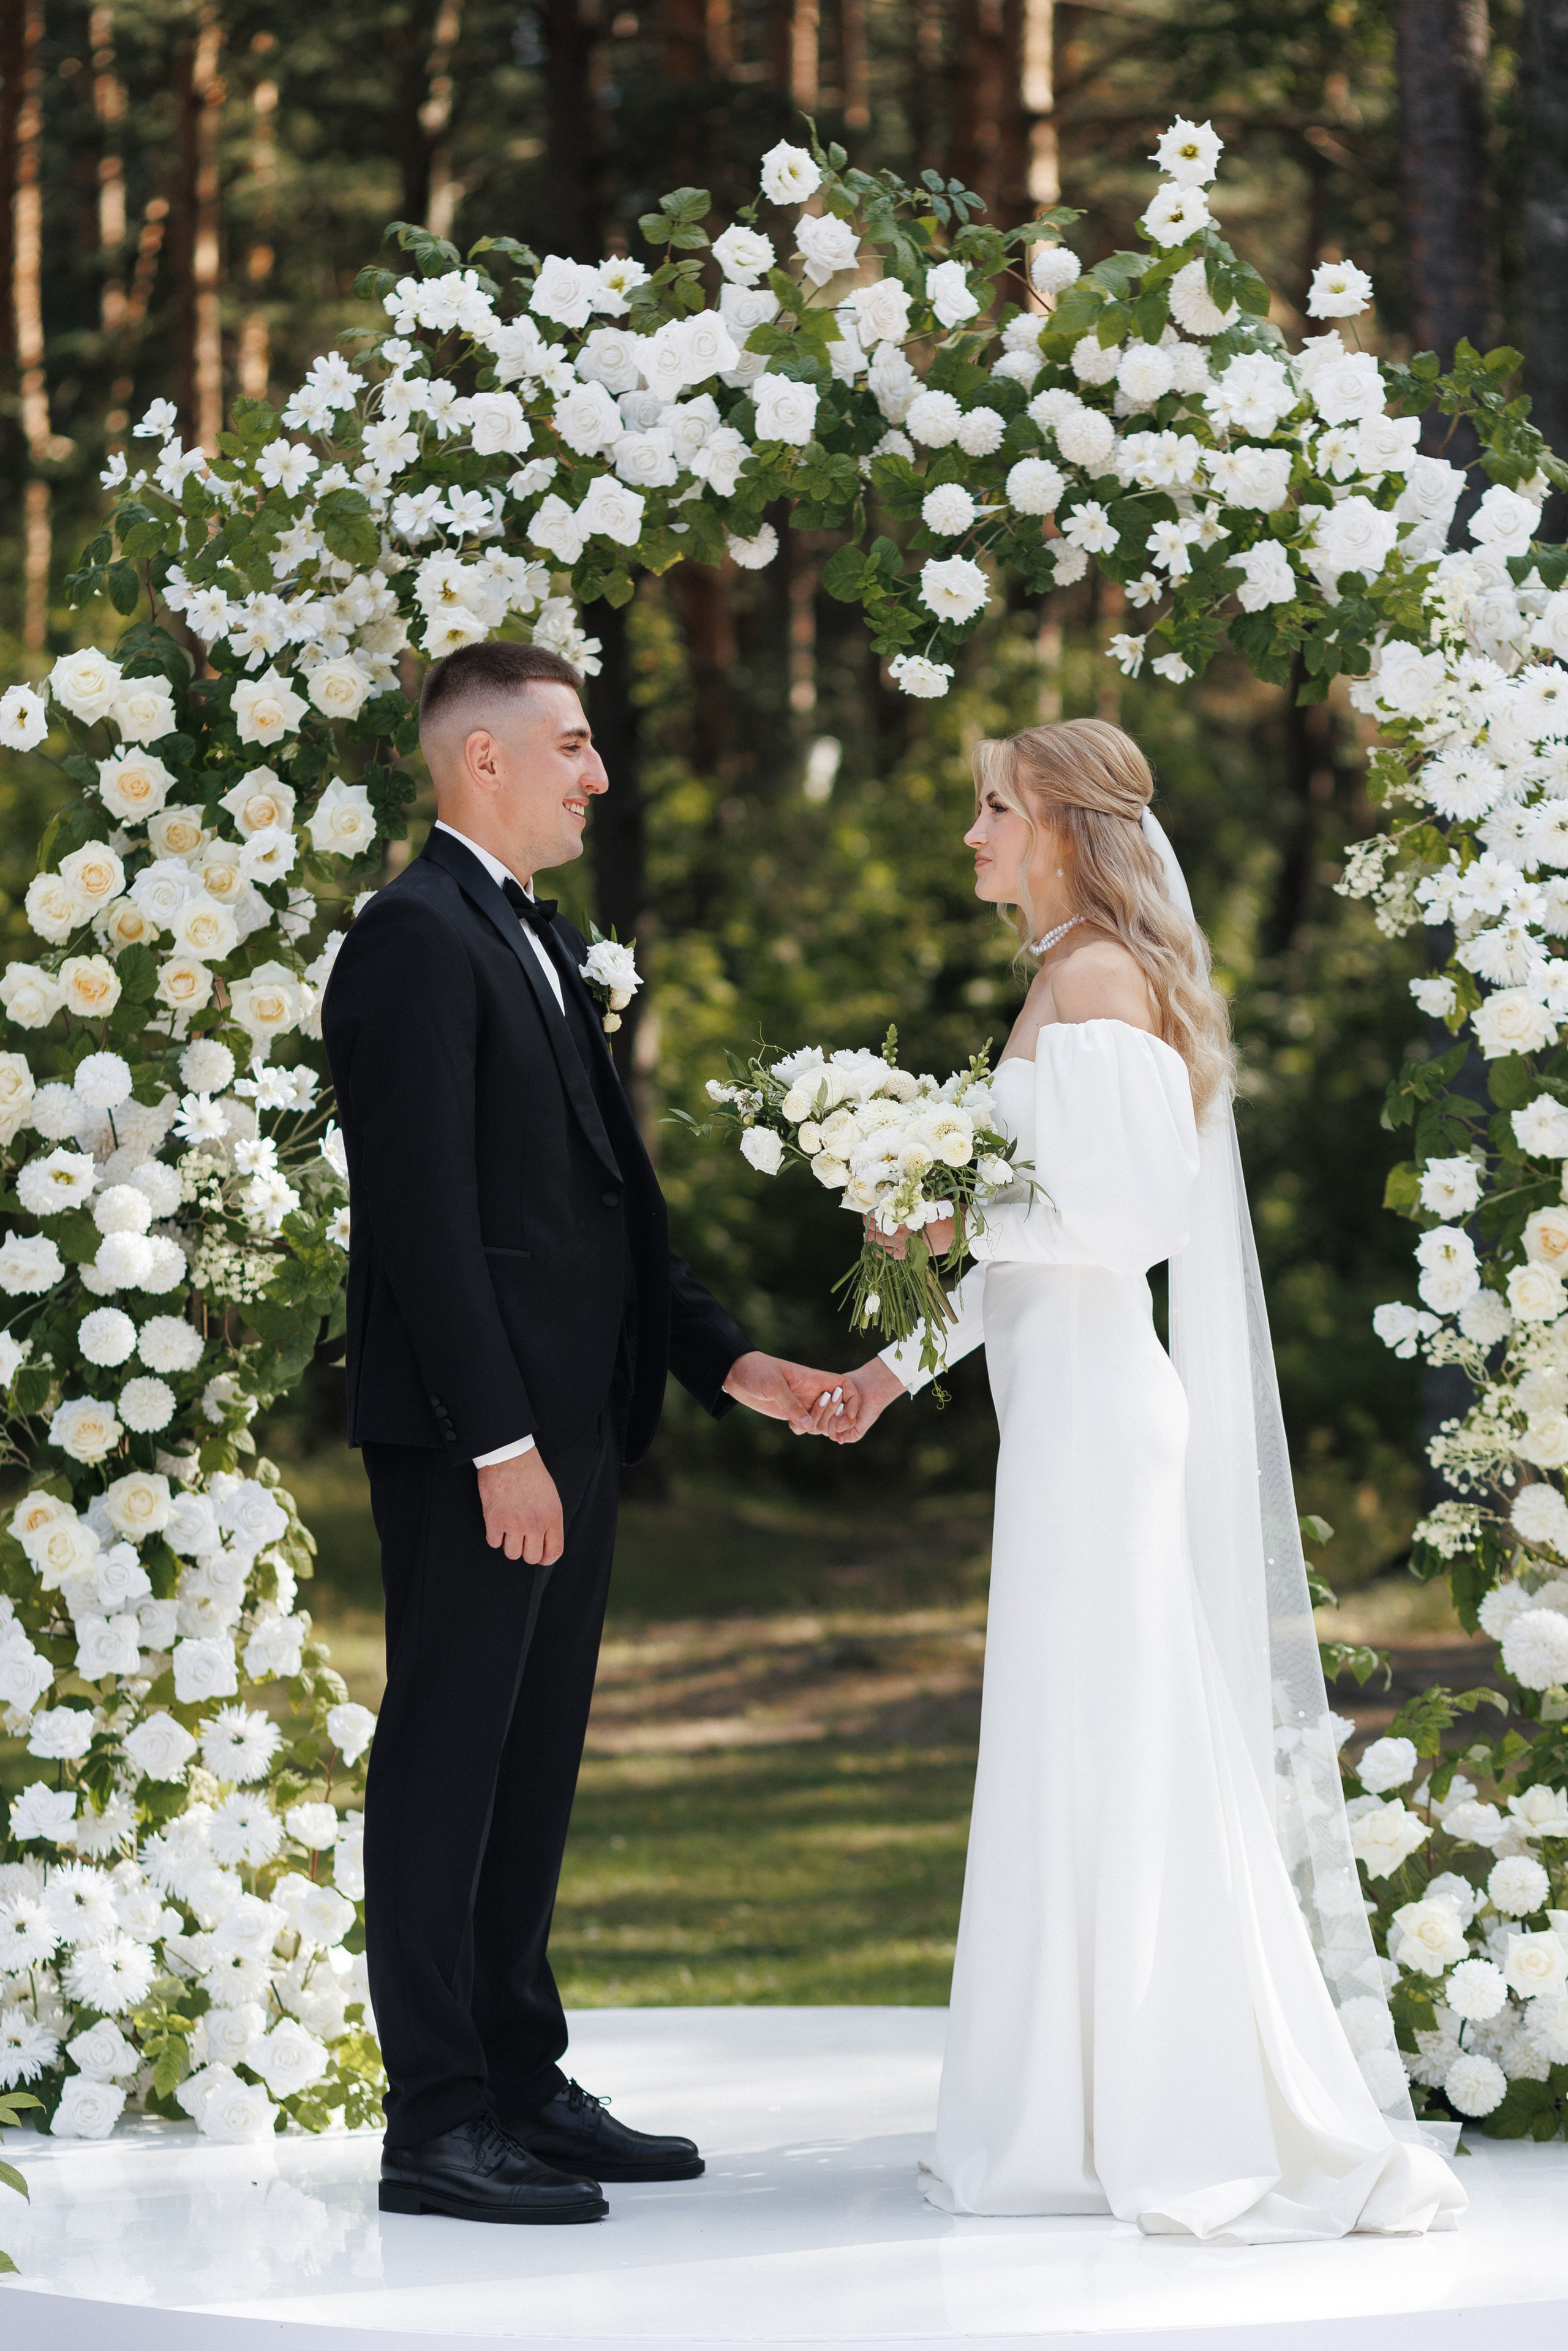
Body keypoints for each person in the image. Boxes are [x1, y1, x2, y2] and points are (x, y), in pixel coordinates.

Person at [825, 719, 1464, 2243]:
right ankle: (1073, 2098)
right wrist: (884, 1372)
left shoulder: (1099, 979)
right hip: (1060, 1406)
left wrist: (939, 1218)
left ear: (1060, 824)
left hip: (1101, 1417)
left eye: (994, 807)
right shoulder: (1059, 975)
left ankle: (1148, 2106)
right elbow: (1030, 1241)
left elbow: (1120, 1228)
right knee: (1071, 1736)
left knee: (1112, 1737)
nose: (973, 832)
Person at [322, 640, 853, 2226]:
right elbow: (420, 1220)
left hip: (571, 1431)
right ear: (481, 758)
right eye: (570, 745)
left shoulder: (537, 935)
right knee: (447, 1756)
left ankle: (518, 2076)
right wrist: (498, 1445)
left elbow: (604, 1209)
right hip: (479, 1442)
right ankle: (436, 2119)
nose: (597, 774)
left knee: (531, 1759)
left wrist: (732, 1363)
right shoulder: (415, 937)